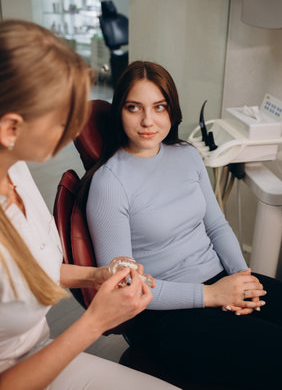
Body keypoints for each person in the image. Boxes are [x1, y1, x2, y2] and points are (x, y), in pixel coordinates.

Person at [83, 60, 282, 390]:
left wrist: (243, 278)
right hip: (163, 312)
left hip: (221, 281)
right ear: (119, 112)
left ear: (172, 110)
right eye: (133, 108)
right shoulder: (110, 182)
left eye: (159, 107)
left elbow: (215, 224)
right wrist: (212, 294)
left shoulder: (185, 155)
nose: (147, 121)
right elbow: (126, 287)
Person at [0, 21, 178, 390]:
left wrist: (95, 275)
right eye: (63, 119)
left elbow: (32, 268)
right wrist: (95, 323)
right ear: (11, 129)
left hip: (42, 352)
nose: (74, 129)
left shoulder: (14, 168)